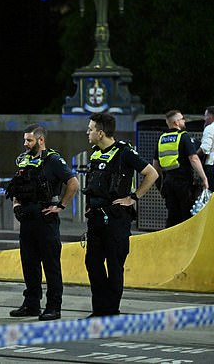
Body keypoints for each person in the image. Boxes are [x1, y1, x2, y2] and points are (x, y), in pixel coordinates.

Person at [83, 113, 158, 317]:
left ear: (100, 133)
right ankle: (100, 309)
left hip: (116, 219)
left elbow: (152, 173)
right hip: (96, 218)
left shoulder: (124, 152)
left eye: (90, 129)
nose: (87, 132)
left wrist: (133, 197)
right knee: (92, 262)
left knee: (115, 265)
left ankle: (111, 310)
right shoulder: (95, 153)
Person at [6, 124, 79, 321]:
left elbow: (73, 183)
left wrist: (61, 206)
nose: (25, 144)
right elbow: (16, 187)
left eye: (29, 140)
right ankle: (31, 304)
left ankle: (54, 307)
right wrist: (15, 205)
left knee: (51, 265)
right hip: (27, 219)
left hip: (46, 218)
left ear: (41, 140)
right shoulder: (24, 160)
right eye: (24, 140)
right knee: (29, 264)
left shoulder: (53, 160)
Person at [152, 110, 209, 228]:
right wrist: (204, 178)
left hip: (168, 182)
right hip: (183, 182)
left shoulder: (161, 138)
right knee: (186, 216)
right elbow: (194, 159)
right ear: (176, 122)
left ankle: (172, 243)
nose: (184, 121)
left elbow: (155, 165)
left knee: (172, 216)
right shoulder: (184, 136)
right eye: (182, 119)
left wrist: (160, 184)